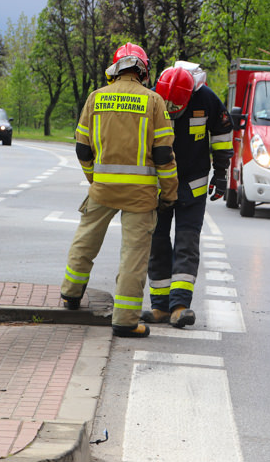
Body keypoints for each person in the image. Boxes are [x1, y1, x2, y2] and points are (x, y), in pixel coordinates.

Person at [60, 43, 179, 338]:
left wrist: (94, 178)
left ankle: (71, 294)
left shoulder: (96, 98)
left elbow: (82, 147)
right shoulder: (154, 101)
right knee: (134, 256)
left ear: (116, 69)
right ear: (143, 70)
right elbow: (164, 155)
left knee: (85, 239)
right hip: (140, 195)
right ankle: (125, 321)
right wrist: (169, 194)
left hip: (102, 189)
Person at [142, 61, 234, 328]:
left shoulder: (207, 99)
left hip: (192, 185)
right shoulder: (152, 98)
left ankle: (180, 306)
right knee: (156, 241)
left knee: (186, 242)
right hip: (158, 185)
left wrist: (221, 174)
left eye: (176, 108)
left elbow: (222, 136)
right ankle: (159, 306)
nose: (171, 111)